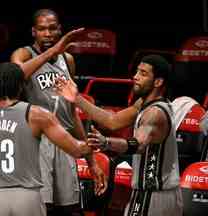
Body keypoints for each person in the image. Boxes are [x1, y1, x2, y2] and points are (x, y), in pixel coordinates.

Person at [55, 54, 183, 216]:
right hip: (160, 193)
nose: (135, 77)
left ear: (158, 82)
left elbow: (138, 144)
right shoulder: (144, 104)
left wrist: (106, 142)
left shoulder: (155, 113)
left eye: (143, 74)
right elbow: (112, 121)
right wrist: (76, 98)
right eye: (137, 72)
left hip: (154, 194)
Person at [0, 62, 96, 216]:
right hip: (27, 196)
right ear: (21, 86)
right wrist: (103, 142)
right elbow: (77, 150)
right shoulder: (36, 115)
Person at [10, 9, 106, 215]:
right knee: (40, 207)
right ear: (33, 31)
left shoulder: (68, 60)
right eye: (42, 29)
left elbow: (71, 112)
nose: (48, 33)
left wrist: (91, 161)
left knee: (68, 208)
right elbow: (14, 76)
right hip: (36, 141)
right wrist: (52, 52)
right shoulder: (23, 54)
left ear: (60, 30)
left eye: (52, 28)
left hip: (64, 139)